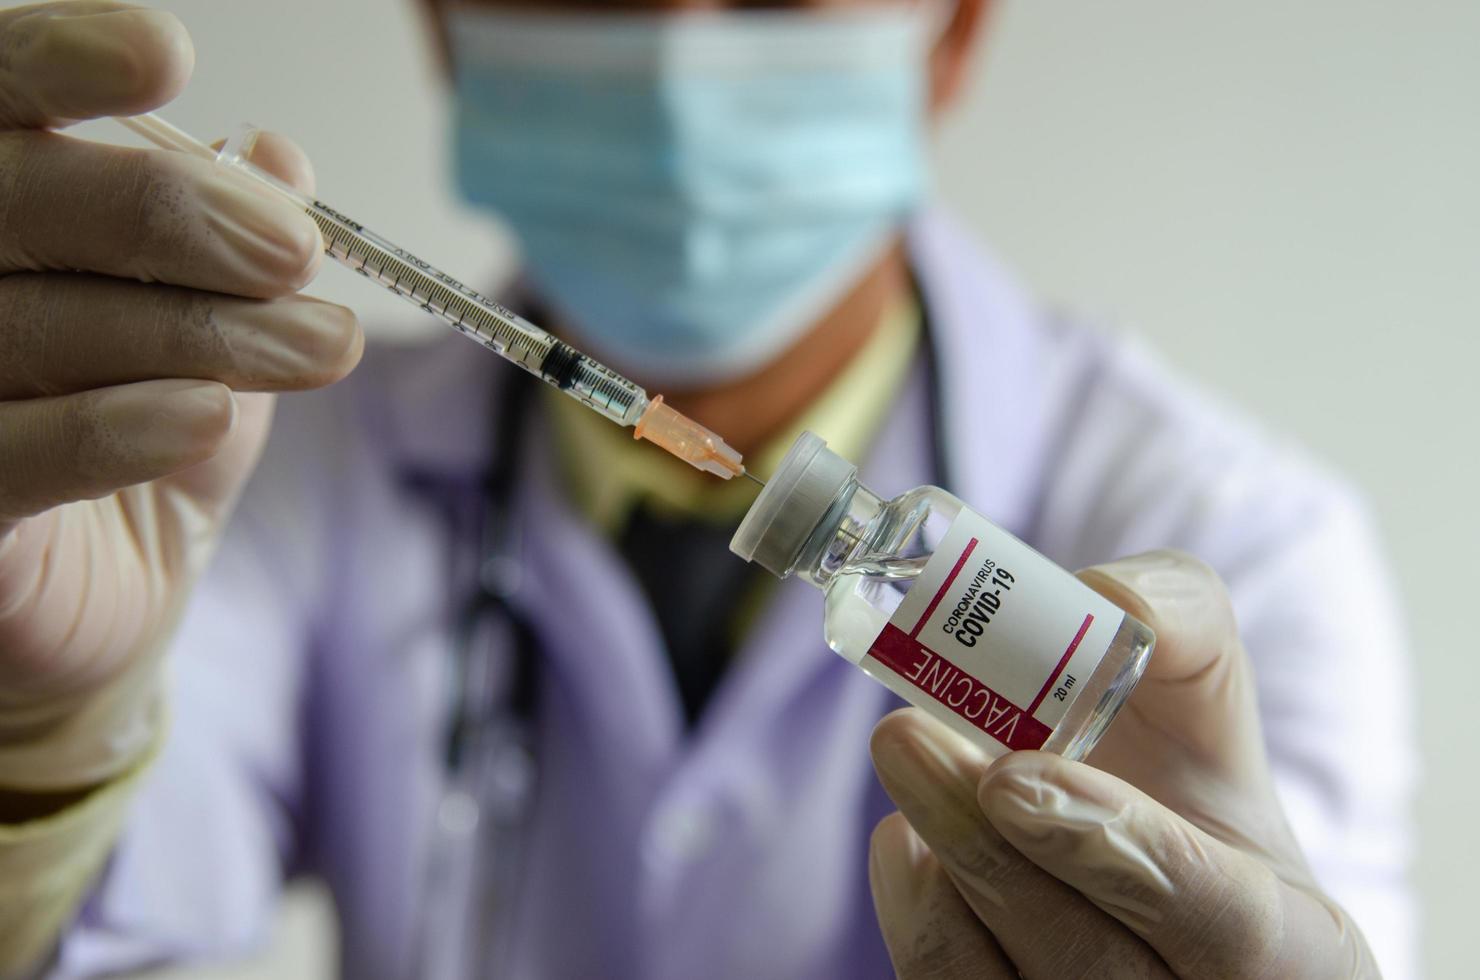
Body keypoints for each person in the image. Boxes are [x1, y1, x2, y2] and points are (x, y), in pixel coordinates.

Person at [0, 0, 1415, 978]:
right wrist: (38, 733)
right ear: (448, 31)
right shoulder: (231, 462)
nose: (679, 52)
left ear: (952, 34)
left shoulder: (1234, 533)